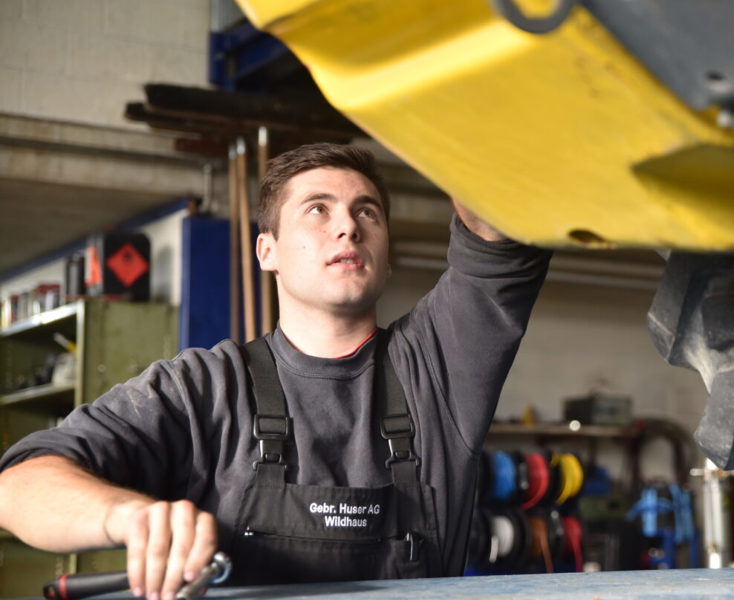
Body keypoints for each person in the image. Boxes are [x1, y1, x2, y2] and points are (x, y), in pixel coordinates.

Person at [0, 143, 552, 600]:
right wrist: (129, 516)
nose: (348, 229)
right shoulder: (204, 389)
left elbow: (496, 237)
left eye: (367, 212)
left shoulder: (437, 365)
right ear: (267, 251)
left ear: (387, 254)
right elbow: (18, 484)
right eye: (317, 209)